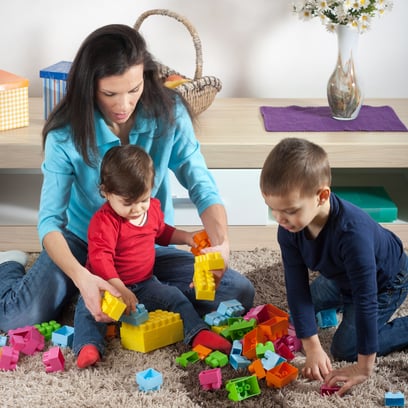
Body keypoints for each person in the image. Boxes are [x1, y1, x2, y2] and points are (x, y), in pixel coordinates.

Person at [0, 24, 254, 334]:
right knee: (16, 318)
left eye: (134, 90)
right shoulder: (65, 133)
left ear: (145, 77)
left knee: (236, 293)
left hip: (145, 245)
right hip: (82, 242)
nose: (123, 105)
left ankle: (107, 294)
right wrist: (83, 277)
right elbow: (50, 222)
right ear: (89, 87)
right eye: (110, 94)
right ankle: (9, 266)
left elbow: (201, 184)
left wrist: (222, 244)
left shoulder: (169, 112)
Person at [259, 137, 408, 396]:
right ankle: (335, 307)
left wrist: (364, 368)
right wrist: (312, 345)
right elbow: (297, 289)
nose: (280, 219)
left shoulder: (353, 234)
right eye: (272, 209)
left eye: (290, 210)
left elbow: (366, 299)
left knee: (346, 349)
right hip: (338, 276)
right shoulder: (288, 227)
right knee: (297, 318)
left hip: (385, 282)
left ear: (322, 195)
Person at [74, 144, 232, 368]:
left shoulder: (152, 209)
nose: (138, 209)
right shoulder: (104, 222)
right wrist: (120, 289)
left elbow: (162, 232)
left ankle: (198, 333)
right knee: (88, 310)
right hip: (107, 286)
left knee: (176, 297)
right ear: (106, 192)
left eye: (143, 200)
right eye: (128, 203)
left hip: (145, 282)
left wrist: (187, 237)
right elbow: (101, 260)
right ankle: (88, 345)